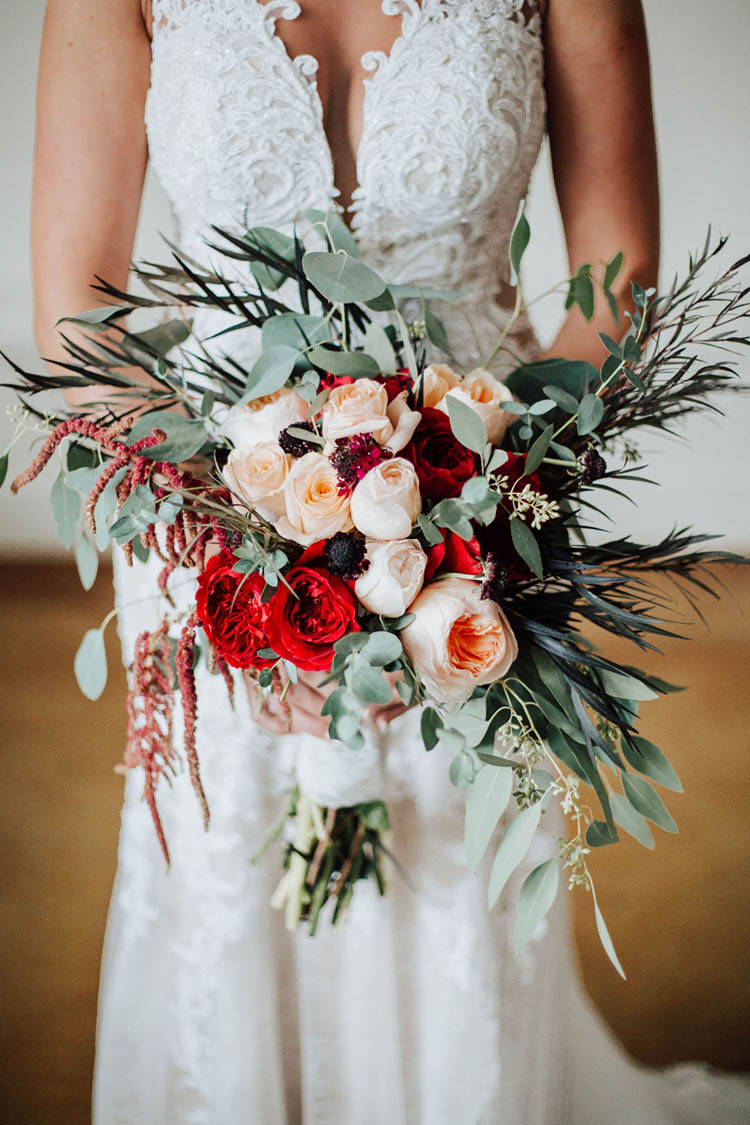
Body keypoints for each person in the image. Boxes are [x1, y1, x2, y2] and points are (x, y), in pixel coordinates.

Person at [31, 1, 750, 1121]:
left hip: (480, 528)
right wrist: (243, 549)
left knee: (455, 890)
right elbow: (78, 303)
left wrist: (489, 509)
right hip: (205, 522)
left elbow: (621, 267)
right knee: (226, 882)